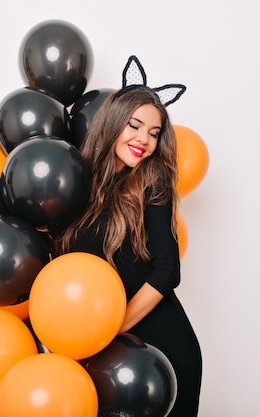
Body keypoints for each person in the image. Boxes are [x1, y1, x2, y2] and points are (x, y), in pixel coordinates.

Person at [54, 56, 202, 416]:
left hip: (160, 347)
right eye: (135, 126)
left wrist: (112, 330)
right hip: (98, 347)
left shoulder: (152, 179)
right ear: (113, 122)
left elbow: (168, 270)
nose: (144, 141)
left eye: (154, 133)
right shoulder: (75, 180)